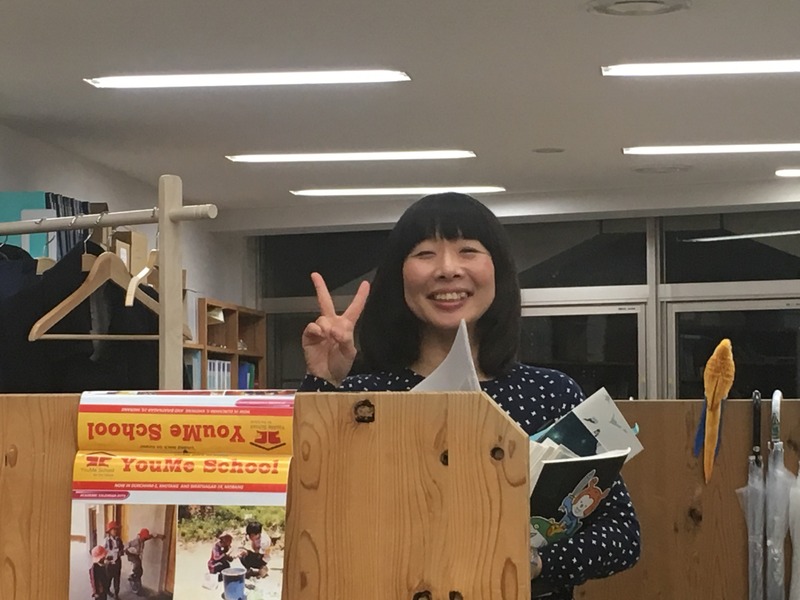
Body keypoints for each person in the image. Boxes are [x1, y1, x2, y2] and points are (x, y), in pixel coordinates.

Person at [299, 192, 641, 600]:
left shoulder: (551, 392)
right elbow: (306, 518)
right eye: (425, 253)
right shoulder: (364, 396)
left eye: (468, 250)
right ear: (399, 276)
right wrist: (323, 382)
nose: (448, 269)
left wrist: (532, 563)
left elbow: (622, 534)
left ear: (498, 271)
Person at [125, 527, 164, 595]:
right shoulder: (136, 541)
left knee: (140, 570)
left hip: (137, 555)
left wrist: (159, 536)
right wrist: (126, 550)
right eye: (144, 538)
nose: (144, 539)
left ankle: (136, 581)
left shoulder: (143, 538)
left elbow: (151, 535)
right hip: (131, 555)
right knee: (137, 565)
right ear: (141, 536)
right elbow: (128, 544)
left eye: (145, 538)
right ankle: (132, 576)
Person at [103, 520, 124, 598]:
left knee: (117, 579)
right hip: (110, 563)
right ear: (109, 531)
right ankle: (107, 590)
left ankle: (116, 594)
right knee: (108, 578)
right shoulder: (106, 540)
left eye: (116, 529)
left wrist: (121, 552)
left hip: (117, 562)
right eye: (113, 529)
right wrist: (105, 559)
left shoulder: (119, 540)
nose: (115, 531)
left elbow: (122, 548)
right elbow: (102, 551)